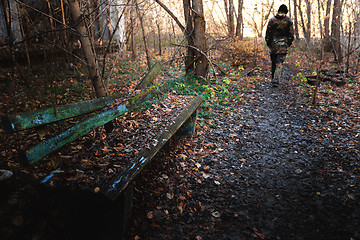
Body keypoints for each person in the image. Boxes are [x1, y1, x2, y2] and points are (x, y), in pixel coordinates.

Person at [265, 4, 294, 87]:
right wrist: (288, 43)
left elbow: (268, 33)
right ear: (286, 11)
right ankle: (276, 80)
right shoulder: (289, 21)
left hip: (273, 45)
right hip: (283, 45)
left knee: (273, 62)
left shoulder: (272, 20)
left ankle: (273, 79)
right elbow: (291, 34)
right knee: (279, 63)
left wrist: (268, 43)